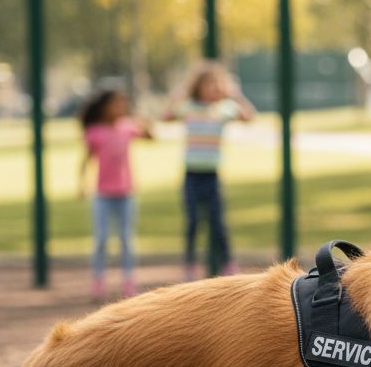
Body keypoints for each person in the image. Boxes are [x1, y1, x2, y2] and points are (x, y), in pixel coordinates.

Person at [164, 62, 255, 280]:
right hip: (192, 174)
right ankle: (189, 263)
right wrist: (182, 91)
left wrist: (235, 95)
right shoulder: (189, 107)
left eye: (216, 84)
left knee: (217, 222)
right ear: (198, 86)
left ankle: (227, 262)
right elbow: (166, 115)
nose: (212, 89)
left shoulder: (224, 109)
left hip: (212, 175)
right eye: (208, 84)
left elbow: (249, 116)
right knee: (193, 220)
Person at [78, 88, 153, 300]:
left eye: (122, 103)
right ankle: (98, 281)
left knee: (126, 239)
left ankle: (128, 281)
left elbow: (150, 136)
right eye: (115, 104)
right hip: (103, 195)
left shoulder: (127, 127)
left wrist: (145, 121)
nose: (120, 108)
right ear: (104, 107)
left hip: (126, 194)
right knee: (101, 239)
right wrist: (81, 184)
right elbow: (86, 159)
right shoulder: (95, 132)